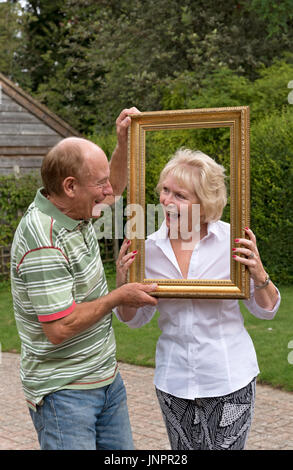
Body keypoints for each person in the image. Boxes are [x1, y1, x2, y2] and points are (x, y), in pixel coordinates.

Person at [10, 107, 158, 451]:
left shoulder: (75, 210)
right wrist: (119, 296)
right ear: (70, 186)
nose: (108, 191)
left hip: (105, 379)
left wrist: (122, 142)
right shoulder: (43, 239)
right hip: (65, 393)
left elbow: (115, 189)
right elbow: (59, 328)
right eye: (99, 183)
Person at [115, 148, 281, 451]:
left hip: (229, 378)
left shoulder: (233, 243)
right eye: (165, 190)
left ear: (204, 204)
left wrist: (260, 276)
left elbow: (267, 310)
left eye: (180, 195)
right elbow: (134, 319)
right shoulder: (148, 248)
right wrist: (123, 286)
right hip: (173, 380)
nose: (167, 200)